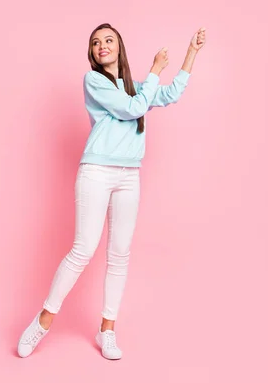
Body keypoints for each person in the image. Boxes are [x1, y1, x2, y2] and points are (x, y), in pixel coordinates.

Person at [17, 23, 206, 360]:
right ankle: (43, 321)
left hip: (129, 175)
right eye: (95, 43)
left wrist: (190, 53)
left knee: (120, 254)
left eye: (108, 40)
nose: (102, 45)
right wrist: (154, 71)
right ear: (92, 53)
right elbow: (132, 109)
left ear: (119, 47)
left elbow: (170, 94)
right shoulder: (94, 82)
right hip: (97, 172)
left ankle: (107, 330)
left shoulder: (135, 86)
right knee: (83, 248)